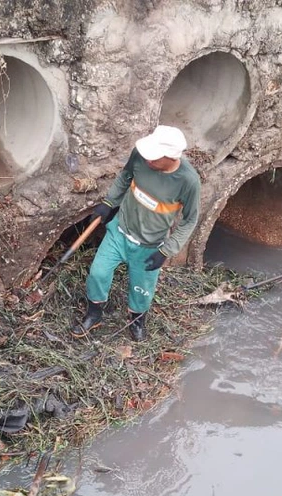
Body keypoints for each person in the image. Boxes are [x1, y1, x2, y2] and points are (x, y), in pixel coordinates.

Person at [72, 125, 201, 342]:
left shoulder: (188, 182)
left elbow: (190, 220)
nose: (148, 160)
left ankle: (137, 320)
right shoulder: (141, 156)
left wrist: (166, 251)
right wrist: (108, 202)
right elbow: (125, 177)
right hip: (119, 231)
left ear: (171, 157)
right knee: (98, 273)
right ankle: (94, 314)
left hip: (150, 245)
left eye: (155, 158)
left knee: (142, 290)